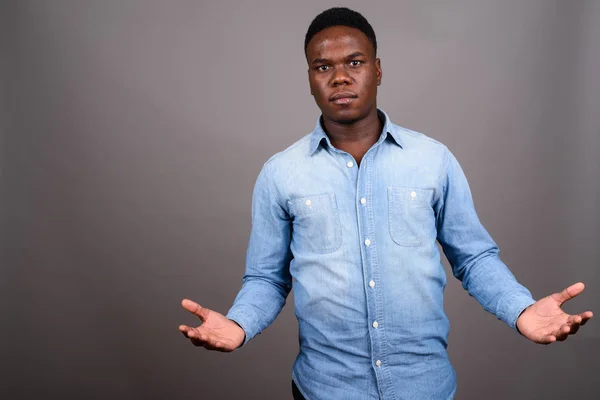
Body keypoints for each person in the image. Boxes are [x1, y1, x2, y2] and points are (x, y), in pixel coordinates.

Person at [178, 7, 593, 400]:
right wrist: (239, 324)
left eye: (354, 63)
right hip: (325, 389)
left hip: (424, 387)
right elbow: (268, 279)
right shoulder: (280, 173)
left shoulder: (433, 160)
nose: (340, 77)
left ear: (377, 70)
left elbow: (474, 258)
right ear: (309, 78)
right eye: (324, 67)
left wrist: (521, 311)